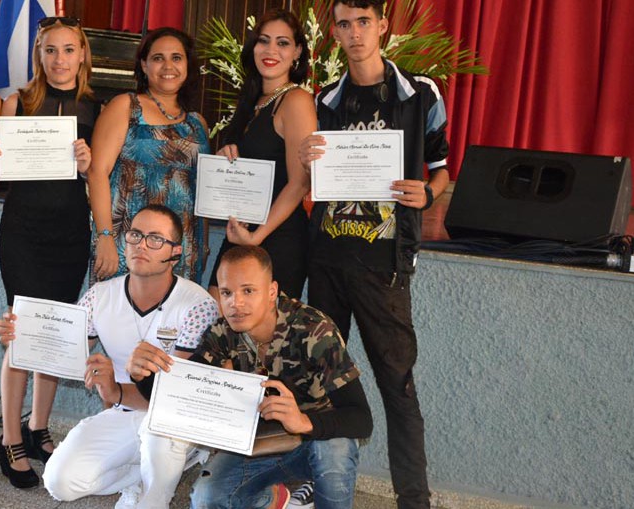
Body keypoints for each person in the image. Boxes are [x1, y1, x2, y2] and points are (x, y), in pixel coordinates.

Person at [297, 0, 451, 507]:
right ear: (335, 32)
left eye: (364, 22)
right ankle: (309, 484)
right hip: (327, 259)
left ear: (382, 26)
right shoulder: (325, 99)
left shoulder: (420, 92)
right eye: (345, 24)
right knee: (316, 380)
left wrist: (428, 192)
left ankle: (414, 499)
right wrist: (307, 159)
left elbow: (444, 167)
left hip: (386, 264)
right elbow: (312, 178)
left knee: (398, 386)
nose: (355, 33)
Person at [0, 205, 220, 508]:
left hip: (172, 419)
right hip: (124, 412)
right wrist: (20, 336)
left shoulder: (198, 305)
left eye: (155, 239)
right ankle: (140, 477)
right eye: (135, 235)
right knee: (59, 481)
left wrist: (114, 390)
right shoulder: (99, 296)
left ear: (175, 252)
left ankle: (155, 495)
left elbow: (175, 399)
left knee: (159, 435)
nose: (141, 245)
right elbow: (56, 350)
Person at [127, 246, 373, 509]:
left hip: (313, 443)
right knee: (206, 499)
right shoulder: (221, 333)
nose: (236, 303)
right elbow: (180, 397)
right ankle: (273, 499)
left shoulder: (315, 331)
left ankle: (313, 489)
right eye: (226, 293)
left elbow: (361, 419)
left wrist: (303, 421)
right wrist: (141, 375)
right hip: (257, 443)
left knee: (336, 449)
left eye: (248, 290)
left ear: (271, 291)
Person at [0, 15, 97, 489]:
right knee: (22, 330)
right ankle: (9, 438)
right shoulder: (15, 101)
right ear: (38, 55)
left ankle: (37, 428)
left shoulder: (94, 106)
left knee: (55, 331)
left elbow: (100, 176)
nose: (60, 59)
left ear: (82, 54)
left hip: (69, 232)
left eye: (69, 50)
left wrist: (88, 166)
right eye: (50, 50)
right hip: (24, 232)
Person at [88, 27, 210, 284]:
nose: (168, 66)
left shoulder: (198, 123)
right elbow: (97, 172)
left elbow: (203, 191)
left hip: (181, 246)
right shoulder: (125, 106)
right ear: (144, 65)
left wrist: (203, 245)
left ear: (188, 65)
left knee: (172, 320)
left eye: (177, 58)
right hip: (128, 240)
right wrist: (105, 236)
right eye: (158, 58)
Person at [208, 8, 315, 301]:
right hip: (241, 233)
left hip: (276, 237)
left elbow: (299, 183)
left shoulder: (296, 100)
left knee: (266, 340)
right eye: (263, 41)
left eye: (282, 43)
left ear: (297, 52)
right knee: (221, 327)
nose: (271, 50)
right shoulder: (252, 100)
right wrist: (224, 161)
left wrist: (257, 237)